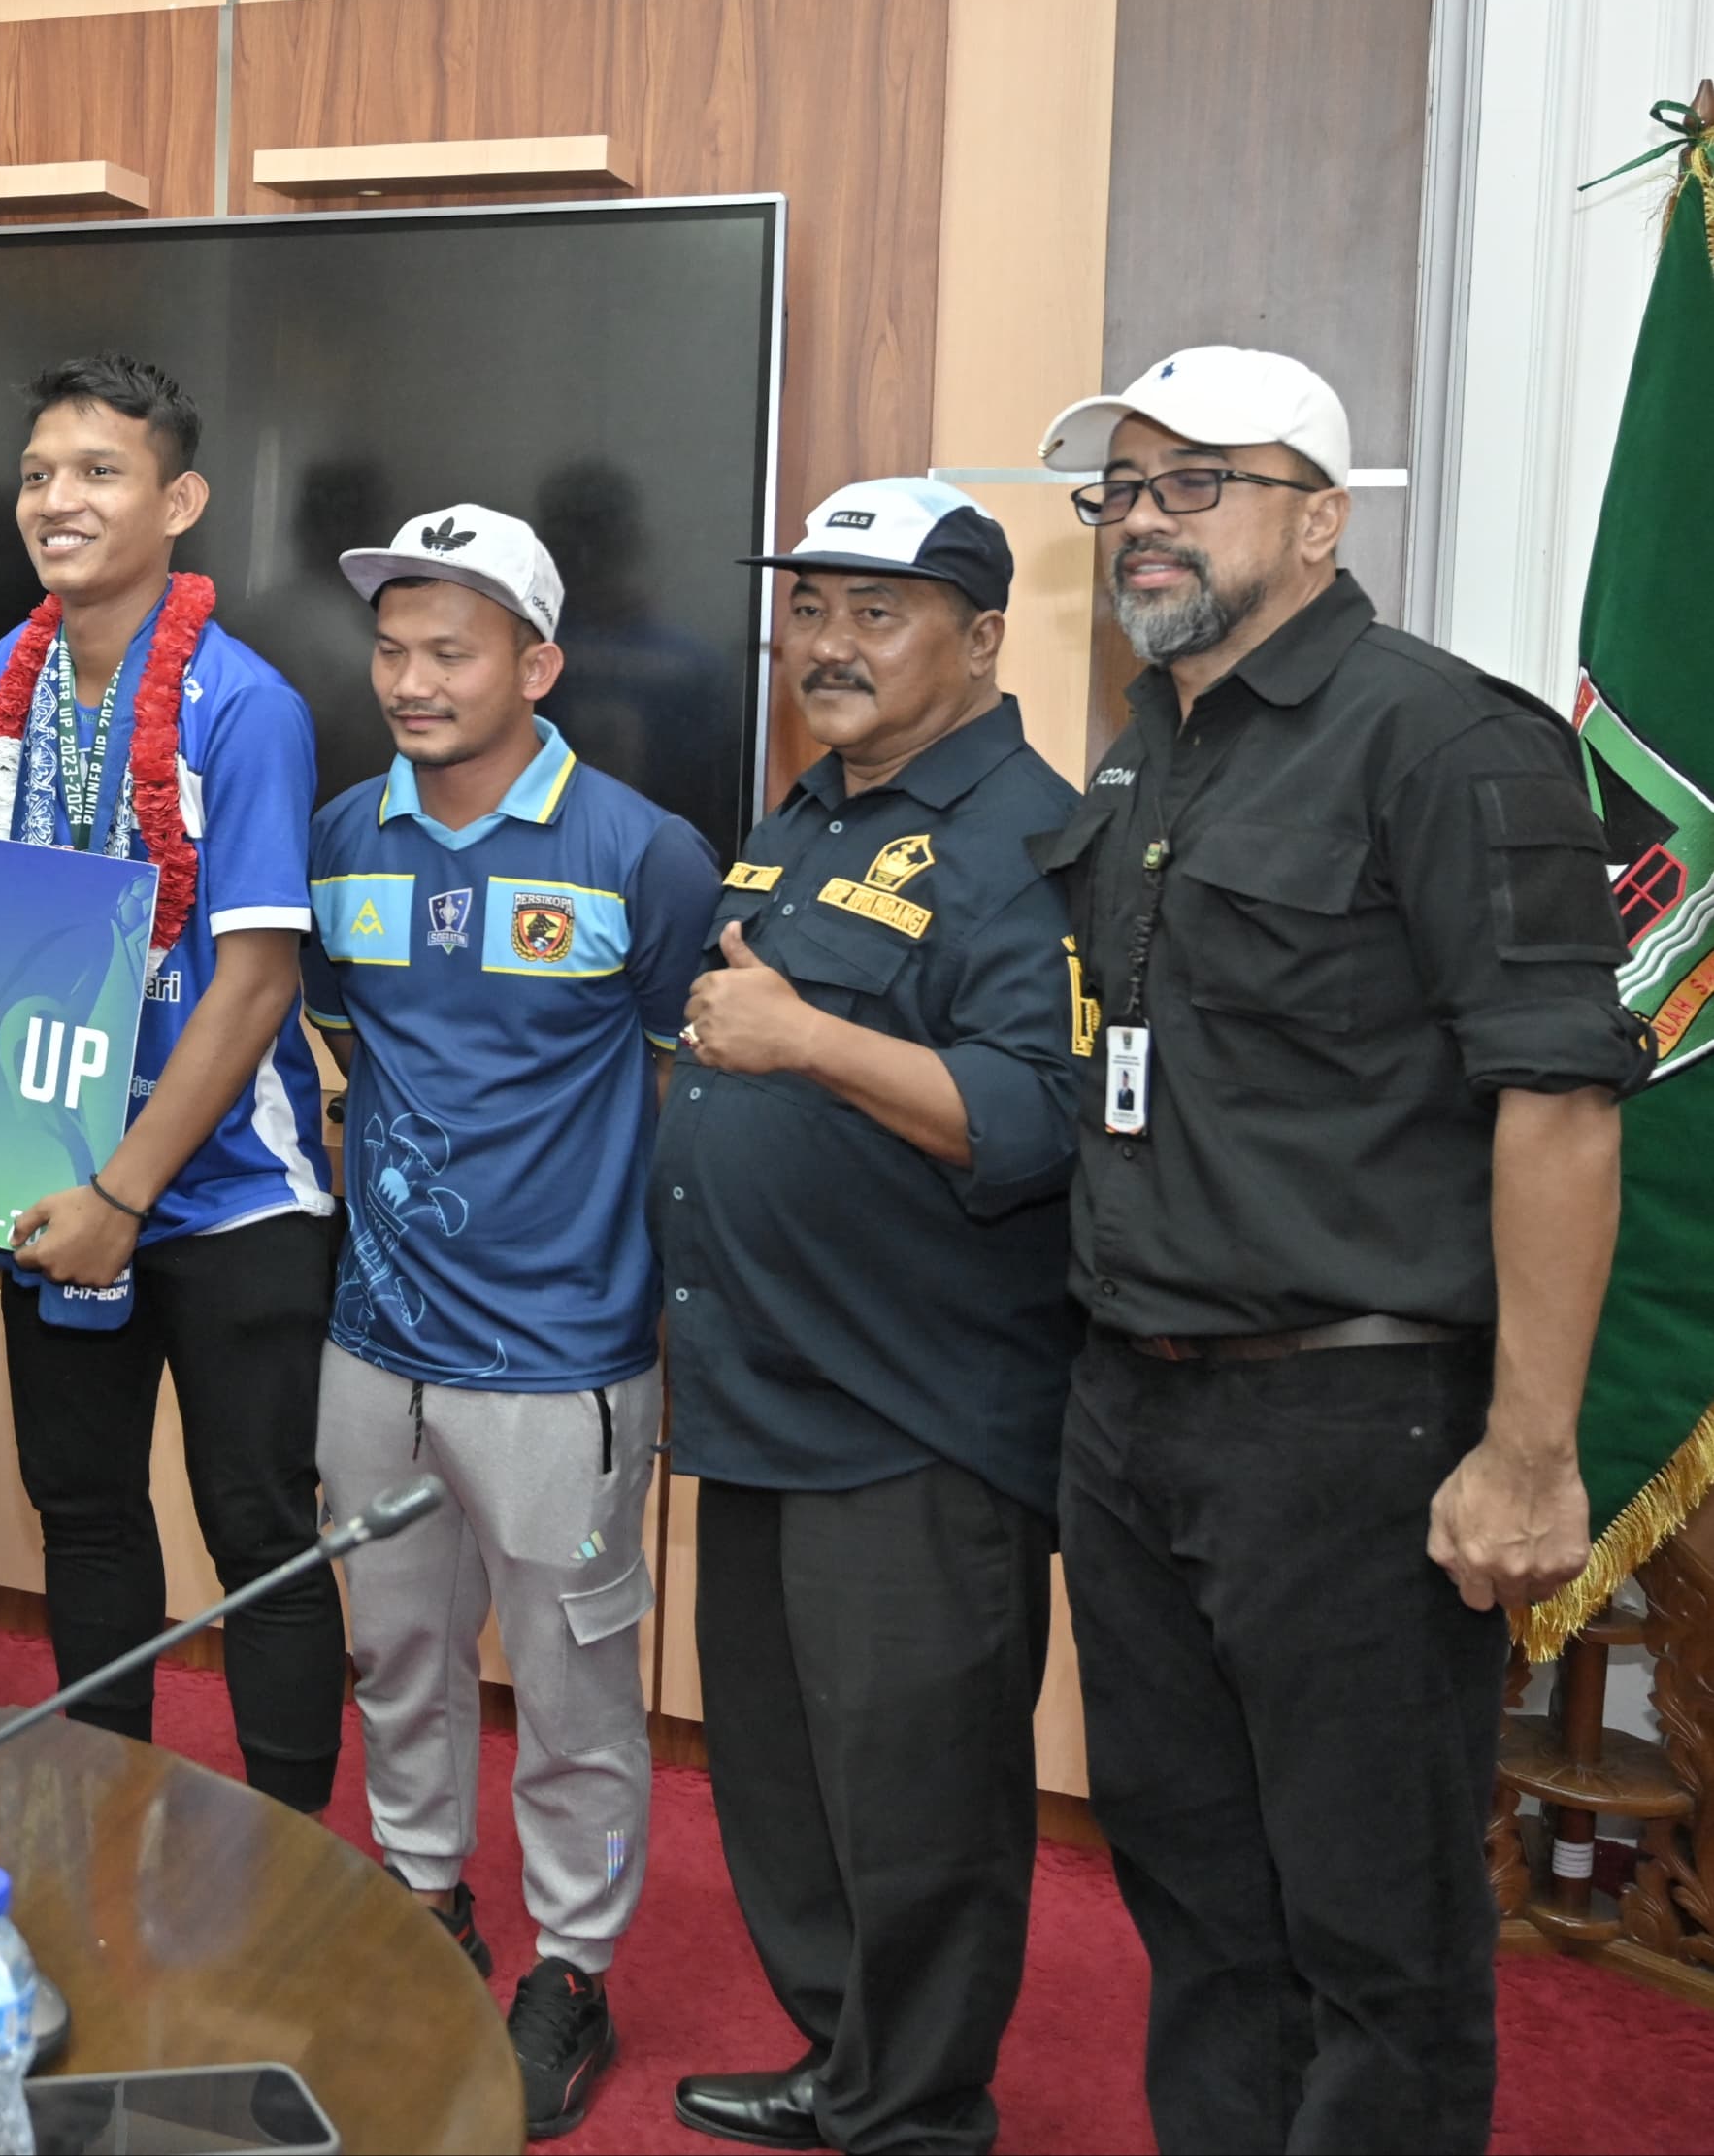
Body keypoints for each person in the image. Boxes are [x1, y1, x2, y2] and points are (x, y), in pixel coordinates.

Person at [1035, 348, 1643, 2154]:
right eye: (1120, 488)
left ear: (1317, 517)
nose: (1143, 517)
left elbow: (1558, 1107)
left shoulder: (1449, 739)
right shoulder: (1151, 744)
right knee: (1195, 1895)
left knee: (1372, 1929)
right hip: (1132, 1411)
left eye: (1193, 480)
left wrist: (1525, 1450)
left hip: (1353, 1426)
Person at [648, 481, 1084, 2155]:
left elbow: (1030, 1119)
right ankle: (846, 2062)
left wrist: (799, 1042)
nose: (826, 642)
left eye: (875, 610)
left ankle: (915, 2111)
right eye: (810, 605)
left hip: (911, 1416)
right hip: (764, 1392)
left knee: (916, 1807)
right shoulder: (812, 807)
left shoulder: (1025, 836)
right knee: (780, 1780)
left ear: (978, 638)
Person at [300, 505, 713, 2141]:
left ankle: (574, 1961)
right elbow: (341, 1037)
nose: (410, 678)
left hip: (564, 1364)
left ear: (534, 664)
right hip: (371, 1346)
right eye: (390, 648)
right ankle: (423, 1895)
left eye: (448, 650)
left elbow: (693, 1065)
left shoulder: (639, 851)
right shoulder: (342, 834)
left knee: (574, 1700)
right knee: (394, 1655)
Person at [0, 356, 346, 1814]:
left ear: (178, 502)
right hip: (54, 1176)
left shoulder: (245, 709)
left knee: (260, 1531)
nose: (58, 500)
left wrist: (131, 1192)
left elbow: (251, 985)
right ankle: (100, 1814)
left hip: (227, 1197)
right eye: (41, 472)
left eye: (99, 472)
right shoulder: (11, 674)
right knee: (86, 1518)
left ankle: (292, 1855)